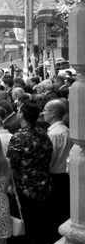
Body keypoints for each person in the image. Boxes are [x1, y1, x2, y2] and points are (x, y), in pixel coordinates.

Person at [2, 101, 54, 244]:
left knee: (23, 235)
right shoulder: (43, 133)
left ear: (22, 115)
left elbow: (10, 164)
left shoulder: (20, 137)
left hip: (24, 192)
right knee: (41, 234)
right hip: (44, 188)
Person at [43, 99, 73, 234]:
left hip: (55, 176)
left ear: (53, 113)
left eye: (45, 110)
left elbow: (50, 157)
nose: (43, 113)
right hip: (64, 175)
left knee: (56, 214)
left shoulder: (54, 134)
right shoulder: (66, 130)